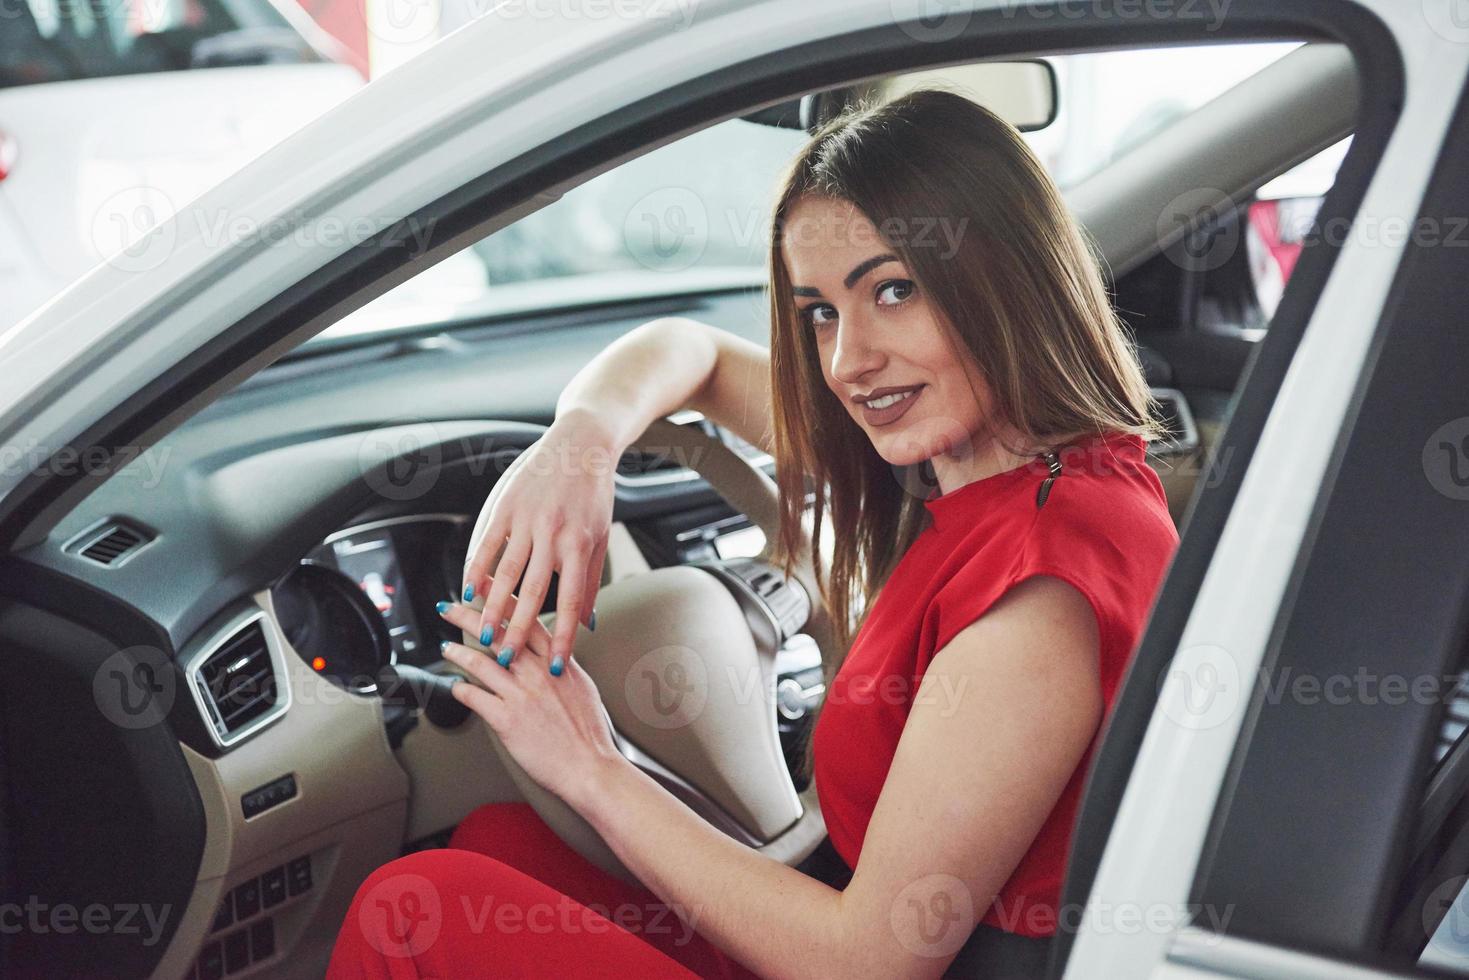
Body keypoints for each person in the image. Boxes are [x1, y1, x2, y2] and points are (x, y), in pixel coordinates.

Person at [327, 86, 1180, 979]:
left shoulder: (1039, 597)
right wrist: (580, 444)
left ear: (1004, 280)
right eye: (821, 312)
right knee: (496, 841)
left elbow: (868, 962)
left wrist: (594, 765)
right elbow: (686, 354)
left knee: (410, 915)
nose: (849, 360)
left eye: (893, 291)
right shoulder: (996, 467)